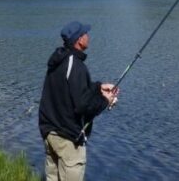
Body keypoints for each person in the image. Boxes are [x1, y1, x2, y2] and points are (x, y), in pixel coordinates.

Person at [39, 21, 119, 181]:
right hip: (67, 139)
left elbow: (70, 89)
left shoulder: (59, 59)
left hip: (50, 133)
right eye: (85, 33)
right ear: (79, 40)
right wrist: (105, 100)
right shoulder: (76, 66)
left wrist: (99, 87)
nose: (88, 36)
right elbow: (83, 106)